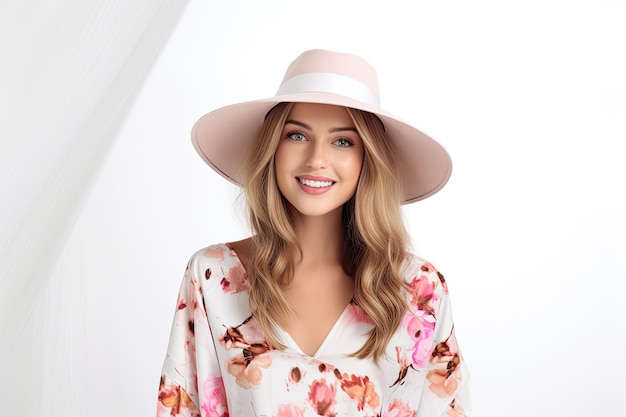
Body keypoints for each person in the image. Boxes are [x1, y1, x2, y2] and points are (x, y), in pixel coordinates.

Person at [157, 49, 470, 417]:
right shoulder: (213, 277)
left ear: (368, 158)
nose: (317, 159)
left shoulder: (419, 291)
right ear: (272, 148)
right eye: (297, 135)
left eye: (342, 141)